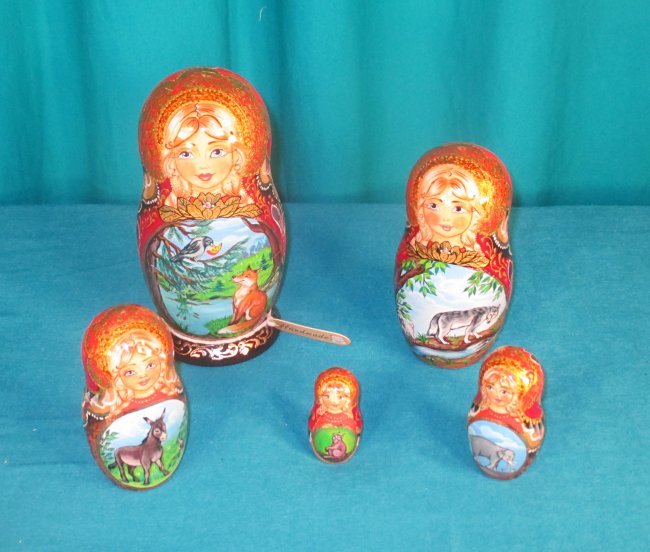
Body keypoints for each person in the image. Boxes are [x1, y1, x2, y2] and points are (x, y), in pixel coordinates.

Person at [413, 164, 485, 249]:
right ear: (421, 208)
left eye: (458, 209)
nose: (446, 218)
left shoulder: (472, 252)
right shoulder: (416, 246)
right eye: (434, 206)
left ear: (473, 212)